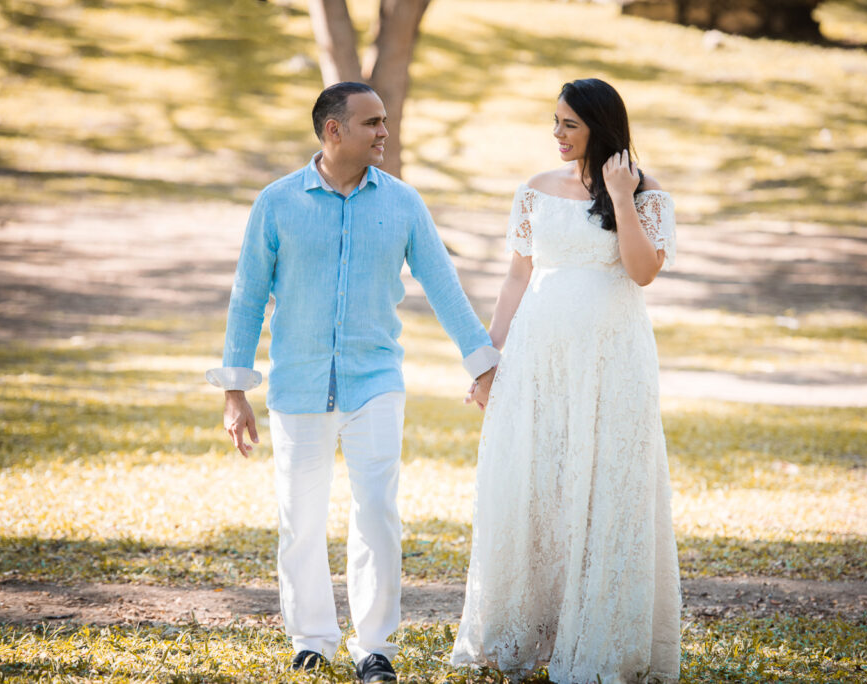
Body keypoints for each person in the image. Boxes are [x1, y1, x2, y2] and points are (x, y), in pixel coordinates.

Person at [206, 82, 499, 684]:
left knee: (376, 514)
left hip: (375, 382)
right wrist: (235, 392)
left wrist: (484, 366)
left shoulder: (404, 203)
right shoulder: (277, 203)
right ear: (333, 131)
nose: (384, 132)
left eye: (384, 121)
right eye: (371, 123)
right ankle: (312, 640)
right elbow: (247, 297)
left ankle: (376, 650)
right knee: (302, 519)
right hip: (298, 386)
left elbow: (443, 286)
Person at [451, 78, 681, 683]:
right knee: (537, 483)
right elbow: (515, 281)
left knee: (607, 487)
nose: (556, 134)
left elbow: (642, 272)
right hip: (538, 357)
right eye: (553, 122)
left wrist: (621, 197)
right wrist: (488, 360)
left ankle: (600, 639)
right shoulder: (533, 191)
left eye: (569, 125)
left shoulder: (646, 193)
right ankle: (526, 632)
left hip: (613, 361)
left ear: (600, 127)